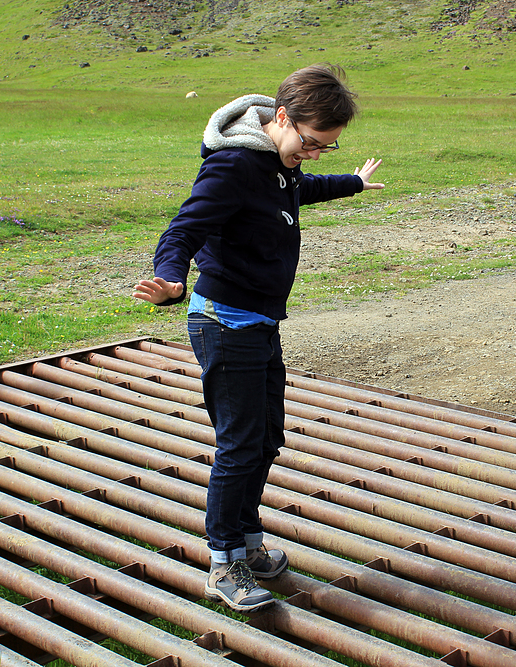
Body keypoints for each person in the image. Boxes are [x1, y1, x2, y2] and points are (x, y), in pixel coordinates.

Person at [133, 64, 384, 612]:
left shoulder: (278, 162)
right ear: (283, 118)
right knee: (240, 445)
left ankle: (247, 542)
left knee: (266, 438)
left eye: (328, 148)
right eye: (312, 143)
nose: (315, 154)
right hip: (224, 322)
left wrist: (353, 183)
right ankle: (223, 563)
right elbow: (182, 230)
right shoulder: (233, 166)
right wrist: (172, 280)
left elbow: (298, 188)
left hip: (258, 322)